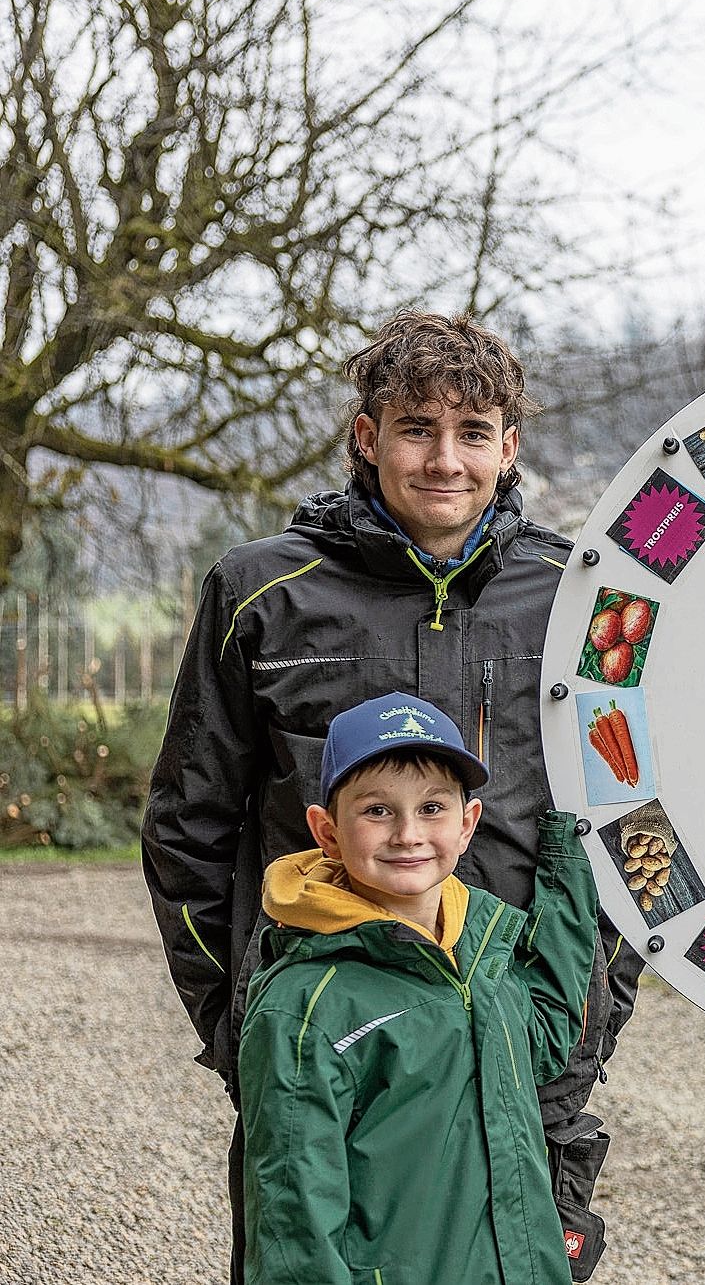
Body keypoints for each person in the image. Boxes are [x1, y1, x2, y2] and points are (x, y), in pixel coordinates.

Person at [142, 310, 635, 1281]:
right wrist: (243, 1022)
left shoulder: (576, 599)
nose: (445, 459)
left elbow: (623, 827)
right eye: (417, 428)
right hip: (333, 1052)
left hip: (518, 1044)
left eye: (473, 432)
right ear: (367, 437)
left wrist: (583, 1023)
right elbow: (187, 827)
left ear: (509, 447)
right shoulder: (263, 594)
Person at [240, 692, 596, 1285]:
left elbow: (547, 1037)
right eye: (377, 810)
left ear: (467, 824)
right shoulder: (304, 1008)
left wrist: (569, 858)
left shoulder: (481, 953)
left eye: (432, 808)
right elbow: (294, 1227)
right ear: (327, 831)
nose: (408, 834)